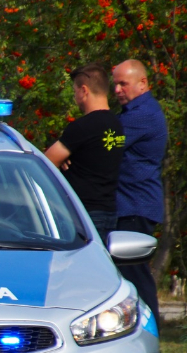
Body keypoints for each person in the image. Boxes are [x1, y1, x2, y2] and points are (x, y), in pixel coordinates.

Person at [44, 63, 126, 238]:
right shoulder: (117, 125)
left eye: (74, 92)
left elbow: (46, 163)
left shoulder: (84, 126)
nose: (75, 97)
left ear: (84, 90)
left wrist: (63, 157)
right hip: (110, 211)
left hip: (84, 213)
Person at [113, 59, 167, 318]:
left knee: (134, 273)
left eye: (123, 84)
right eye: (115, 85)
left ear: (142, 83)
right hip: (132, 205)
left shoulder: (141, 115)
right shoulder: (133, 114)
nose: (118, 90)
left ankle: (150, 331)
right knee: (127, 272)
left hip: (135, 206)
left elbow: (104, 142)